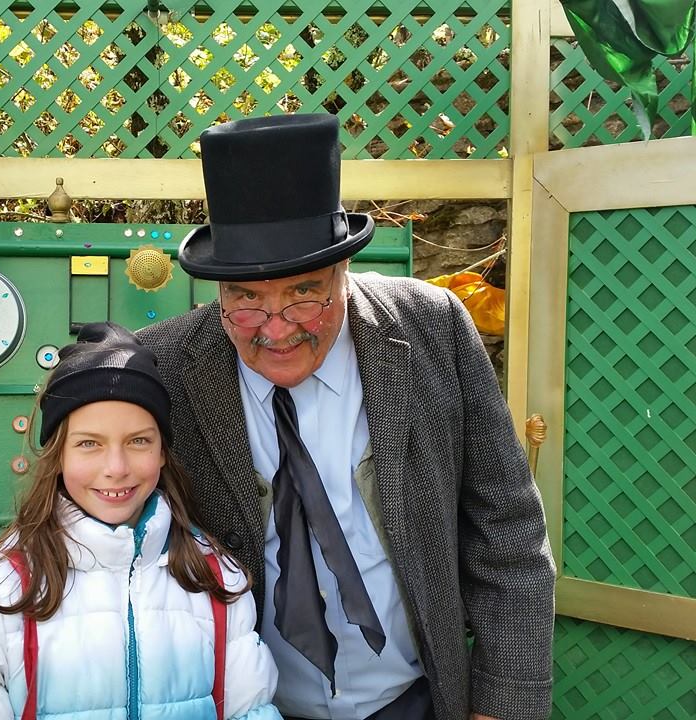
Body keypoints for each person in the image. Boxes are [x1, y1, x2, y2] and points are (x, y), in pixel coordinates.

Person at [139, 114, 556, 720]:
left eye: (304, 294)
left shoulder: (432, 328)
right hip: (249, 707)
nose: (276, 330)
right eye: (246, 299)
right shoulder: (166, 365)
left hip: (414, 701)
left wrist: (502, 704)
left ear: (344, 273)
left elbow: (507, 529)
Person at [0, 322, 282, 720]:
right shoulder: (2, 587)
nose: (116, 468)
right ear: (58, 455)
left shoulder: (215, 577)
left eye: (138, 441)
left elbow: (250, 710)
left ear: (163, 452)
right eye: (89, 444)